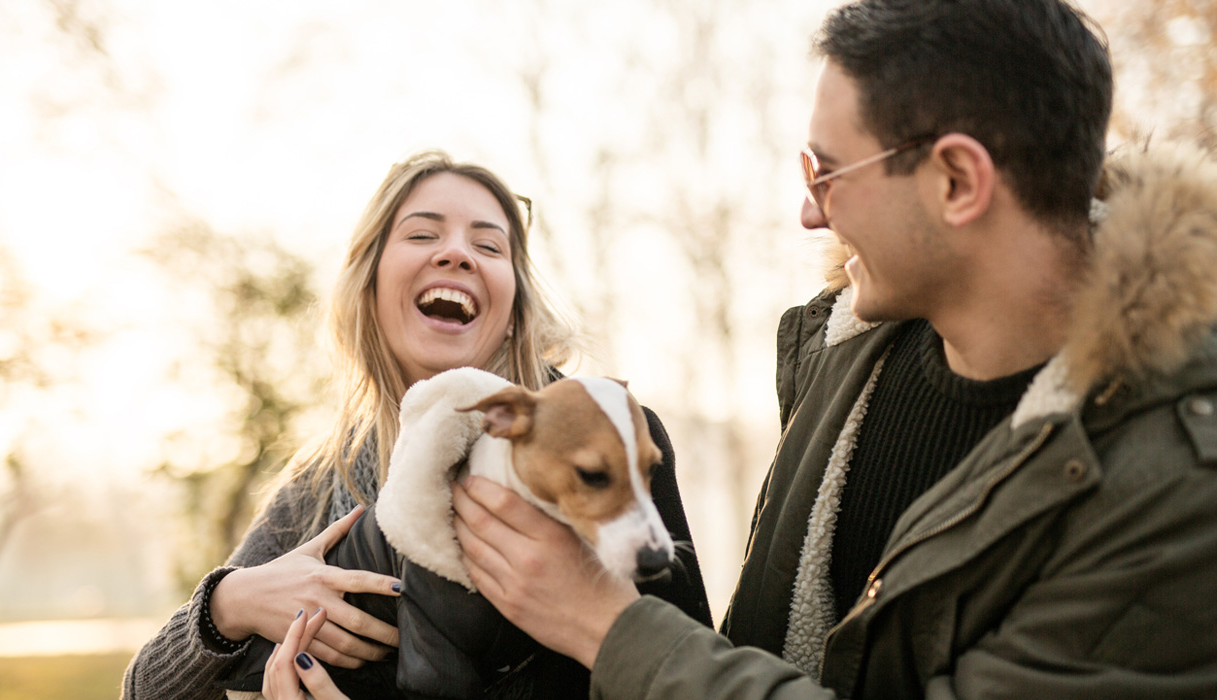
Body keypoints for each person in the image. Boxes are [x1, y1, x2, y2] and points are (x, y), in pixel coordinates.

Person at [445, 1, 1217, 698]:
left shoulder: (1178, 488)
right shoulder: (842, 355)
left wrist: (609, 631)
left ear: (956, 181)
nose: (808, 212)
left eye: (827, 170)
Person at [121, 150, 712, 700]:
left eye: (489, 245)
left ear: (514, 303)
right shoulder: (324, 477)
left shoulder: (605, 439)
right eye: (423, 234)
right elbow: (142, 690)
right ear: (370, 282)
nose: (455, 254)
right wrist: (228, 606)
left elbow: (685, 677)